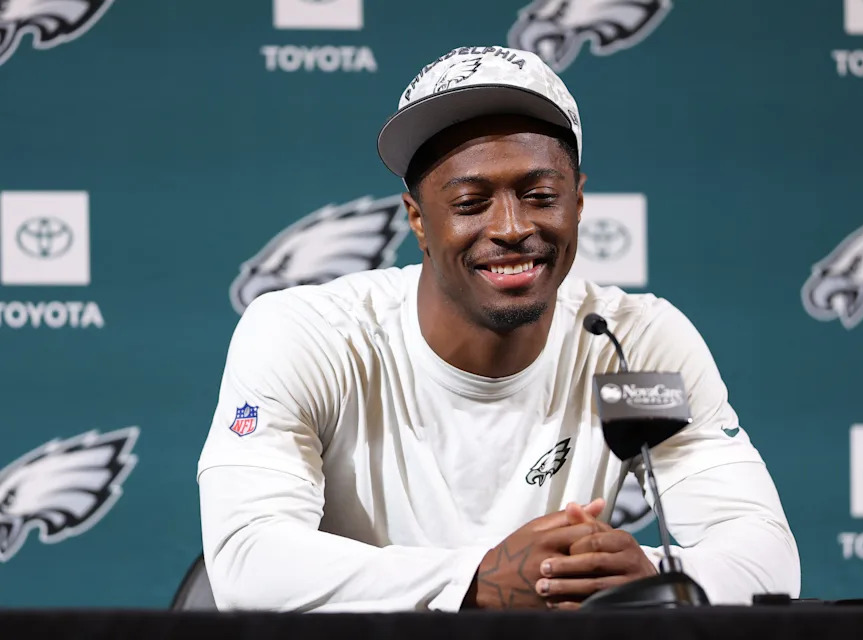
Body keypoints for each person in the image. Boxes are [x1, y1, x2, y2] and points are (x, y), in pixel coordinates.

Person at [197, 45, 801, 612]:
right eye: (470, 202)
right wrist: (477, 579)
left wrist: (651, 572)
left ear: (579, 202)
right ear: (418, 220)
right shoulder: (311, 334)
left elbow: (764, 551)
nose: (512, 227)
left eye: (540, 194)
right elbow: (248, 558)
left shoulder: (634, 343)